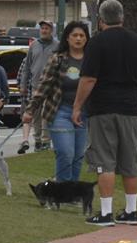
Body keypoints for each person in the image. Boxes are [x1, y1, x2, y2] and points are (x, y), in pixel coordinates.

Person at [72, 0, 137, 226]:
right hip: (129, 108)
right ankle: (131, 211)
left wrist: (78, 106)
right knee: (130, 159)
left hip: (102, 108)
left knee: (104, 160)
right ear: (122, 17)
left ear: (100, 20)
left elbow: (89, 78)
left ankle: (106, 213)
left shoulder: (97, 43)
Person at [23, 21, 90, 182]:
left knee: (78, 155)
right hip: (60, 111)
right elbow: (43, 85)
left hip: (83, 113)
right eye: (75, 35)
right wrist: (30, 109)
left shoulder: (91, 60)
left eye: (82, 35)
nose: (78, 39)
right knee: (66, 152)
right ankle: (63, 189)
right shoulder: (58, 59)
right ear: (67, 38)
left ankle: (72, 191)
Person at [17, 19, 57, 154]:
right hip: (35, 87)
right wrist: (23, 85)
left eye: (47, 28)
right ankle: (38, 141)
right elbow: (26, 68)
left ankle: (46, 141)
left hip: (51, 88)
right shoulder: (34, 45)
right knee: (36, 116)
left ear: (51, 30)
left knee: (47, 115)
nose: (44, 30)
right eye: (42, 28)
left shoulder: (57, 46)